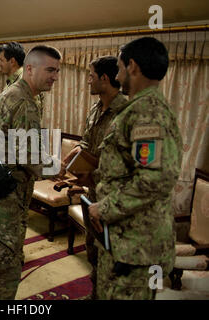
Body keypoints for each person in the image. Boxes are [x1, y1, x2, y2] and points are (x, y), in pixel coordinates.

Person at [88, 37, 183, 300]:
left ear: (132, 66)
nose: (117, 76)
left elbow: (154, 179)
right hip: (124, 239)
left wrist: (103, 208)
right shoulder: (139, 108)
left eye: (118, 68)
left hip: (136, 246)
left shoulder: (147, 112)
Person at [0, 45, 62, 299]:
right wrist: (61, 167)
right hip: (2, 198)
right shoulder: (24, 102)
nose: (55, 76)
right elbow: (31, 158)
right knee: (1, 273)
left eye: (58, 71)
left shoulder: (13, 93)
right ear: (29, 69)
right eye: (50, 70)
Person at [60, 56, 127, 299]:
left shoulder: (126, 114)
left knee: (112, 255)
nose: (88, 81)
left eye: (91, 76)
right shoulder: (96, 109)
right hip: (94, 194)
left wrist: (92, 174)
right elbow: (86, 143)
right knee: (94, 250)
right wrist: (68, 162)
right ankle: (97, 293)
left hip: (115, 199)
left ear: (105, 79)